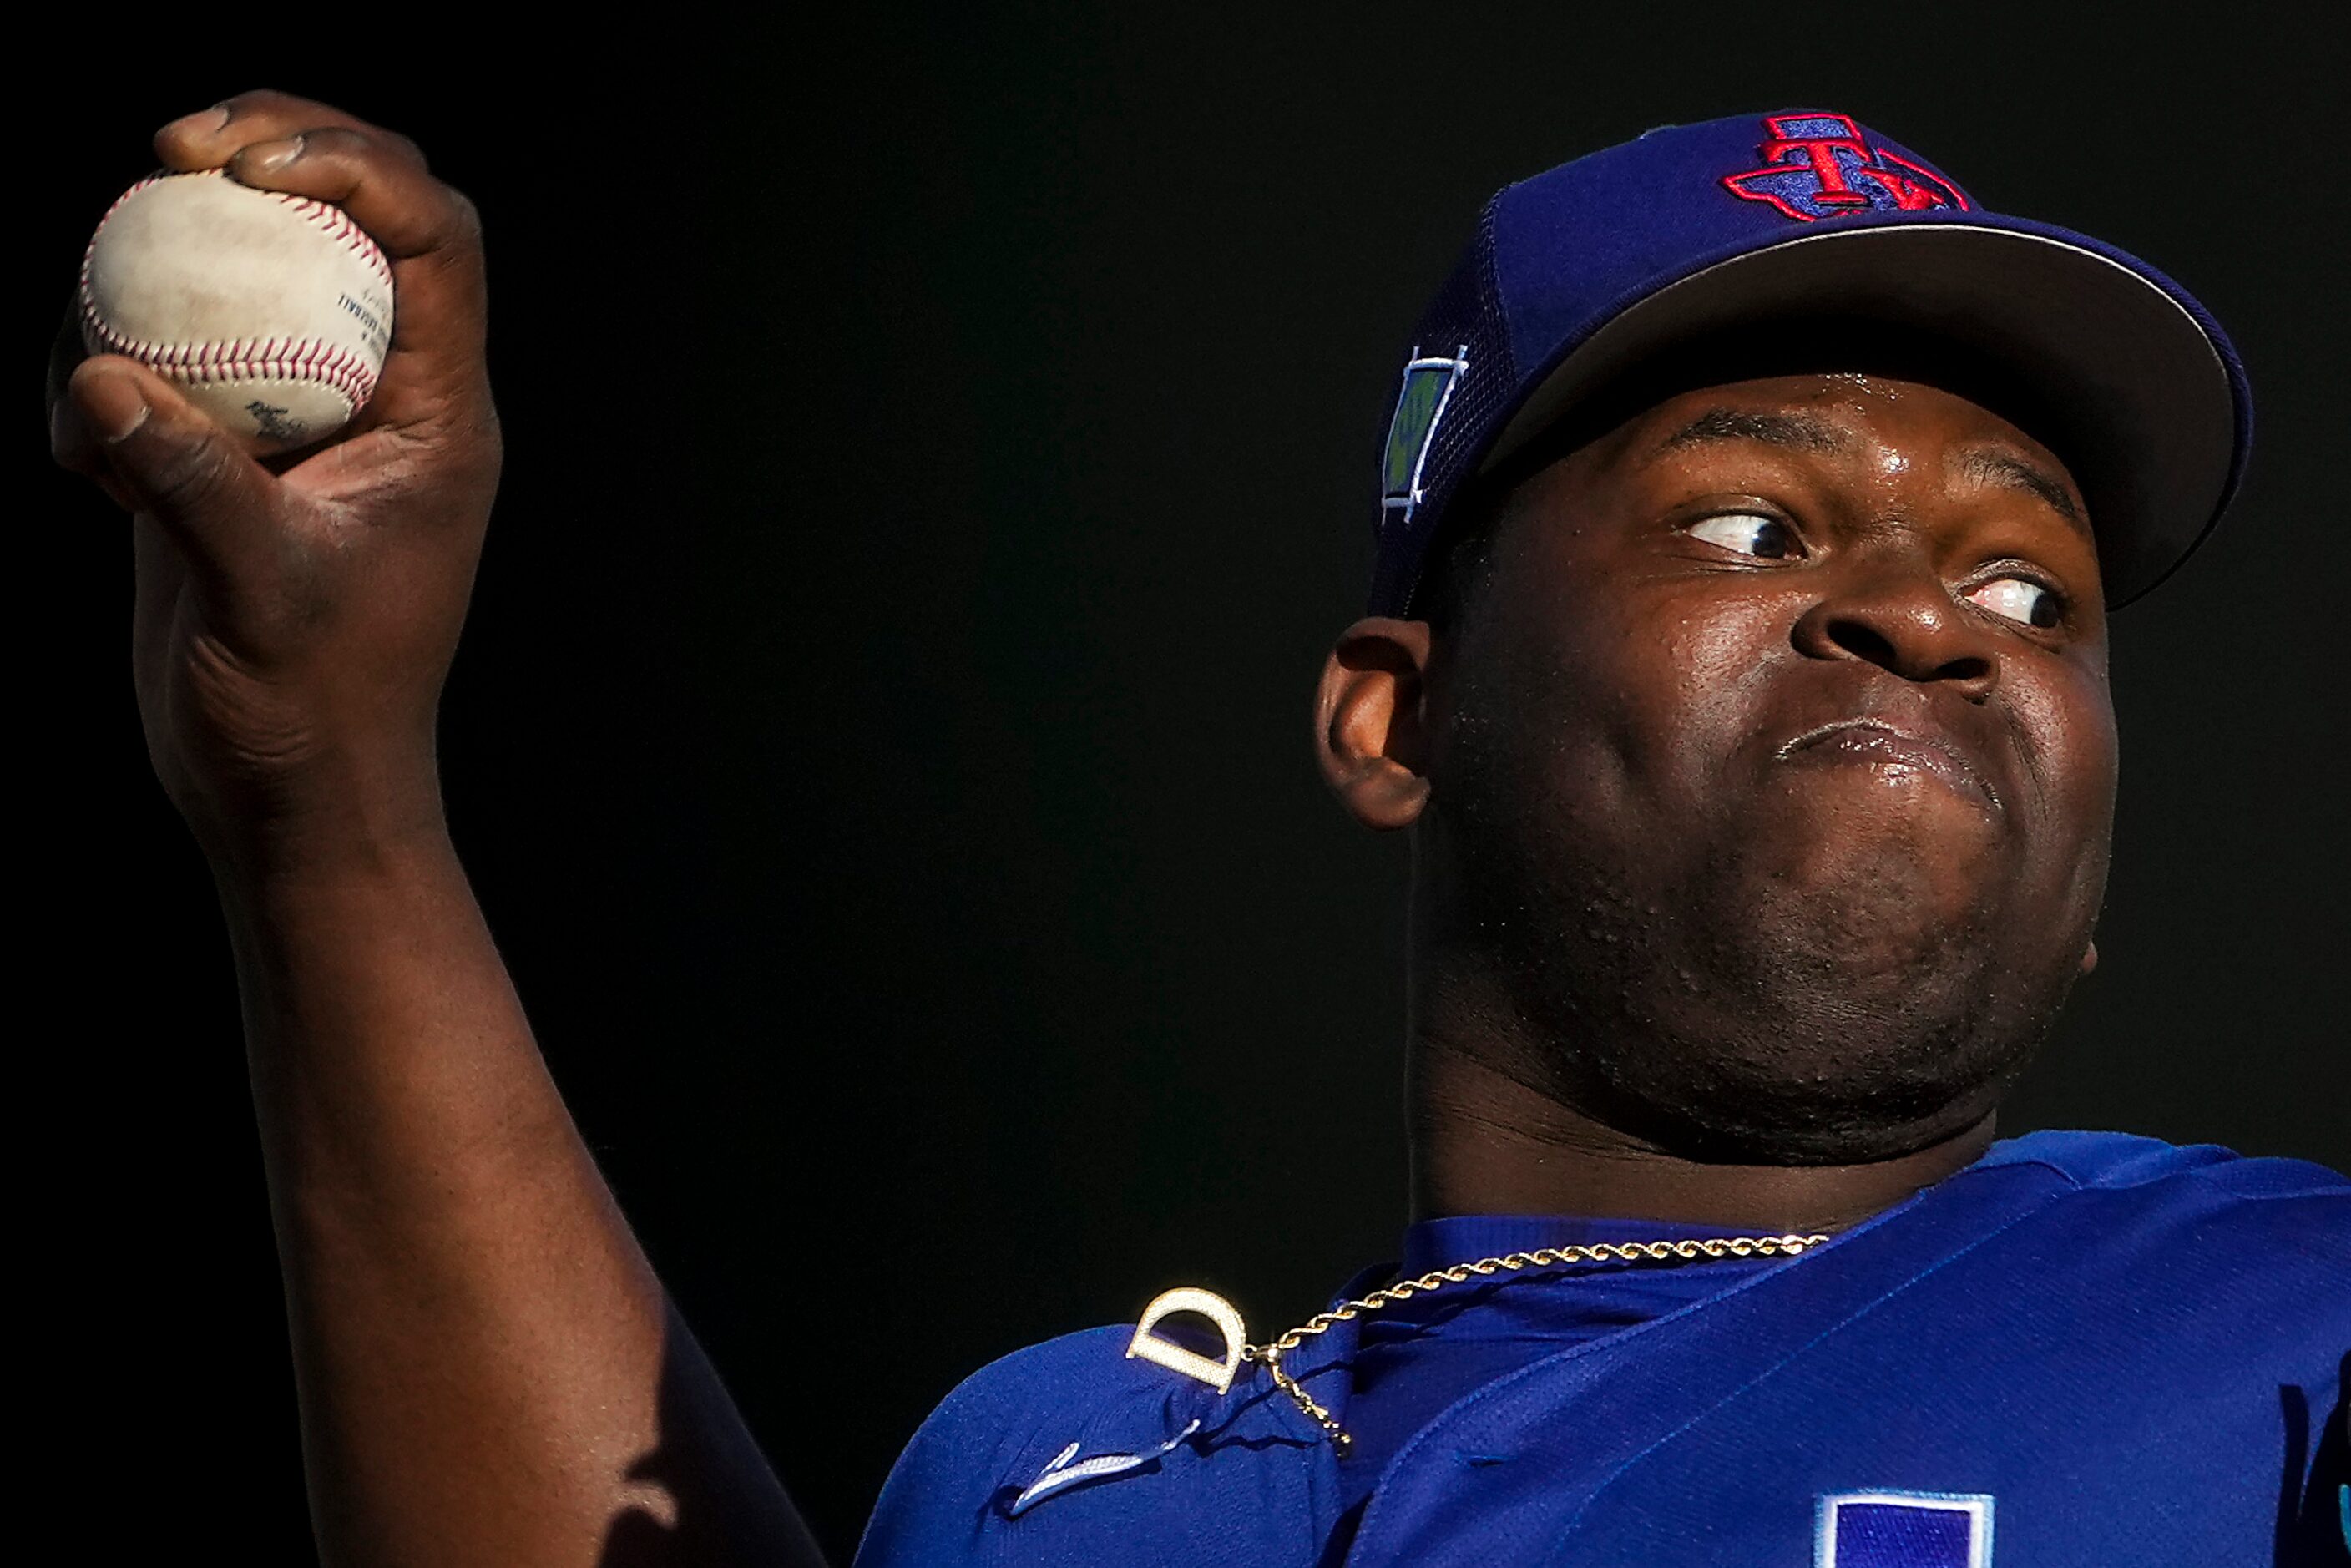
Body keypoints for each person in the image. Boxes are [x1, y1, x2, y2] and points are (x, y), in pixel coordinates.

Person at [51, 94, 2346, 1567]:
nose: (1930, 621)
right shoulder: (1068, 1472)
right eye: (1754, 523)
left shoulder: (2289, 1315)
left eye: (2030, 584)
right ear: (1392, 720)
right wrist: (323, 805)